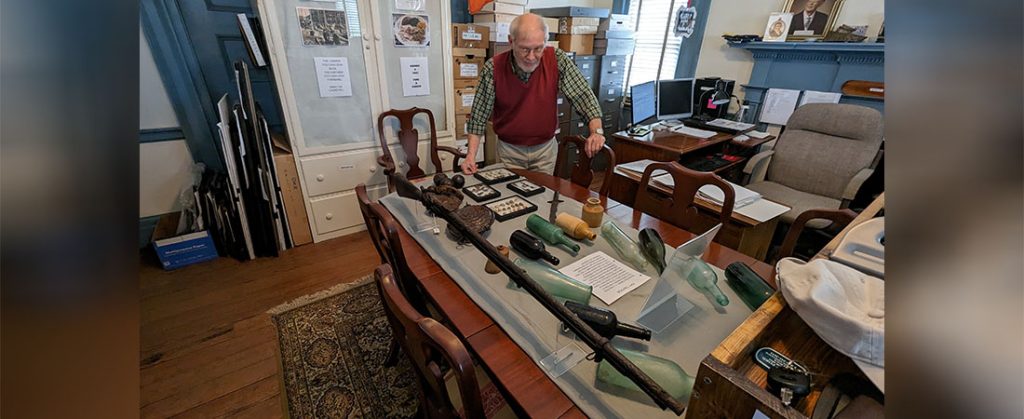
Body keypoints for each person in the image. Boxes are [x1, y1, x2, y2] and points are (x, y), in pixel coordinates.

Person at [461, 13, 604, 175]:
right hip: (509, 152)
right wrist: (471, 156)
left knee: (543, 197)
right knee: (511, 198)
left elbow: (582, 95)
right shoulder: (493, 68)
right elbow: (478, 117)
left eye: (538, 49)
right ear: (511, 41)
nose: (531, 57)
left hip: (545, 152)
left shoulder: (557, 59)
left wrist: (596, 131)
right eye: (524, 49)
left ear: (545, 41)